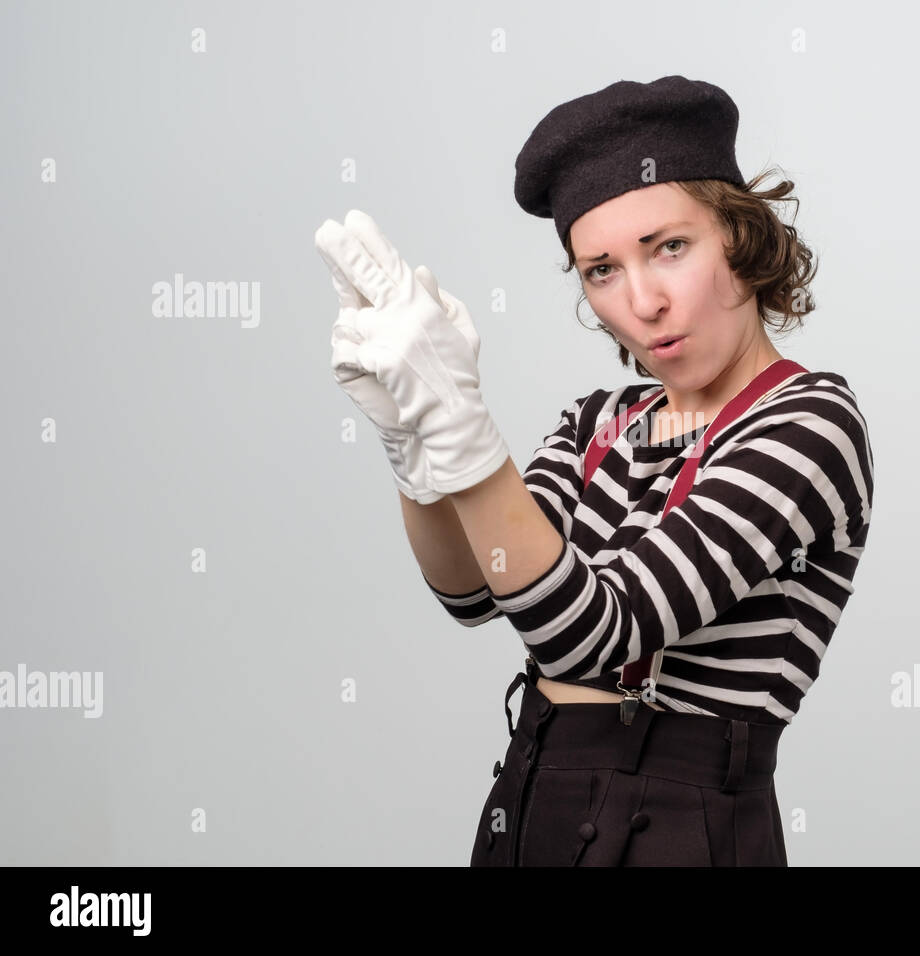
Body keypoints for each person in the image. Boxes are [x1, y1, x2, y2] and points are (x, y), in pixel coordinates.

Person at [314, 75, 875, 866]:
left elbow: (593, 635)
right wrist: (416, 448)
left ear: (742, 244)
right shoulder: (597, 422)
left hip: (683, 827)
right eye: (601, 269)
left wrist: (464, 428)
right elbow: (474, 589)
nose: (642, 301)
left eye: (669, 247)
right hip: (533, 796)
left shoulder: (809, 423)